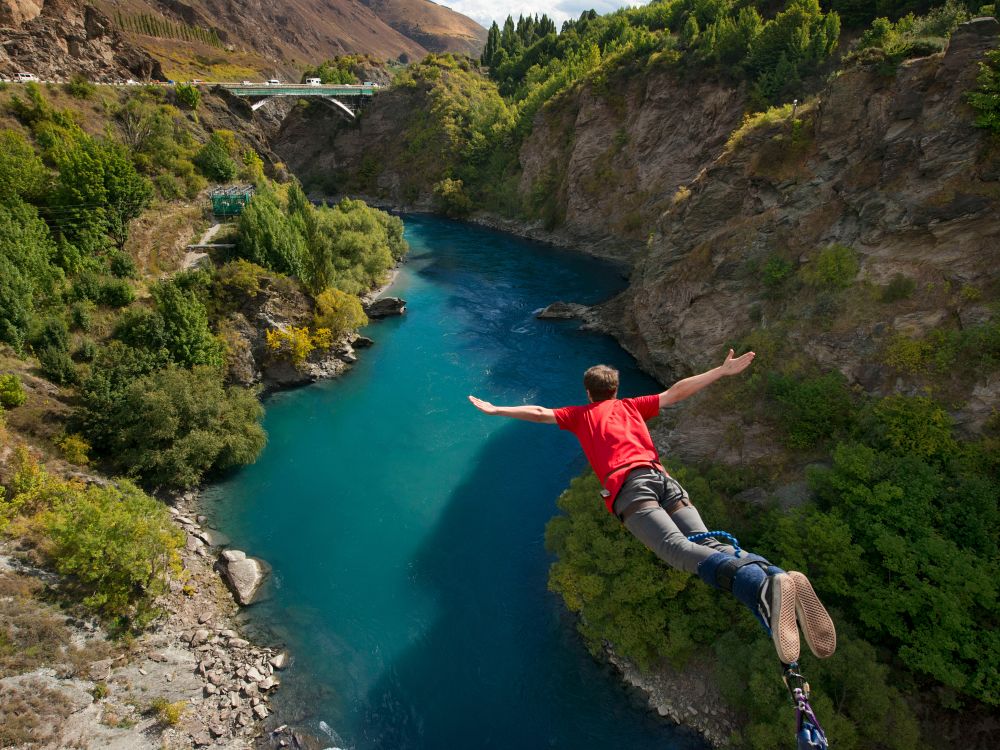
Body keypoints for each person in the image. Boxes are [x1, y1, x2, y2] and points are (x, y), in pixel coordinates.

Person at [468, 350, 836, 665]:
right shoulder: (631, 406)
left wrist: (497, 410)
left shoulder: (581, 415)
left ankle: (759, 588)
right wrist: (721, 372)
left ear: (588, 393)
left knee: (676, 550)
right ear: (615, 389)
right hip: (664, 480)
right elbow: (676, 393)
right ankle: (772, 573)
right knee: (707, 543)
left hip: (630, 487)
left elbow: (539, 411)